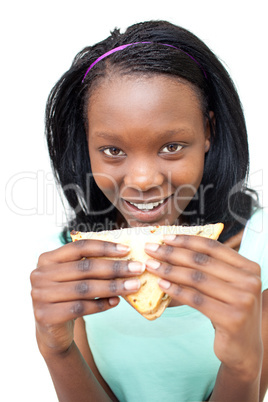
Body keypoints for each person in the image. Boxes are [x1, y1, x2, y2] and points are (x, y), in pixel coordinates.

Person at [30, 20, 268, 401]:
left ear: (207, 132)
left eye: (172, 146)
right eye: (113, 151)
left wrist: (243, 363)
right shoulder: (68, 260)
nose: (142, 180)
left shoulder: (260, 250)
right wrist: (57, 351)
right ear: (86, 146)